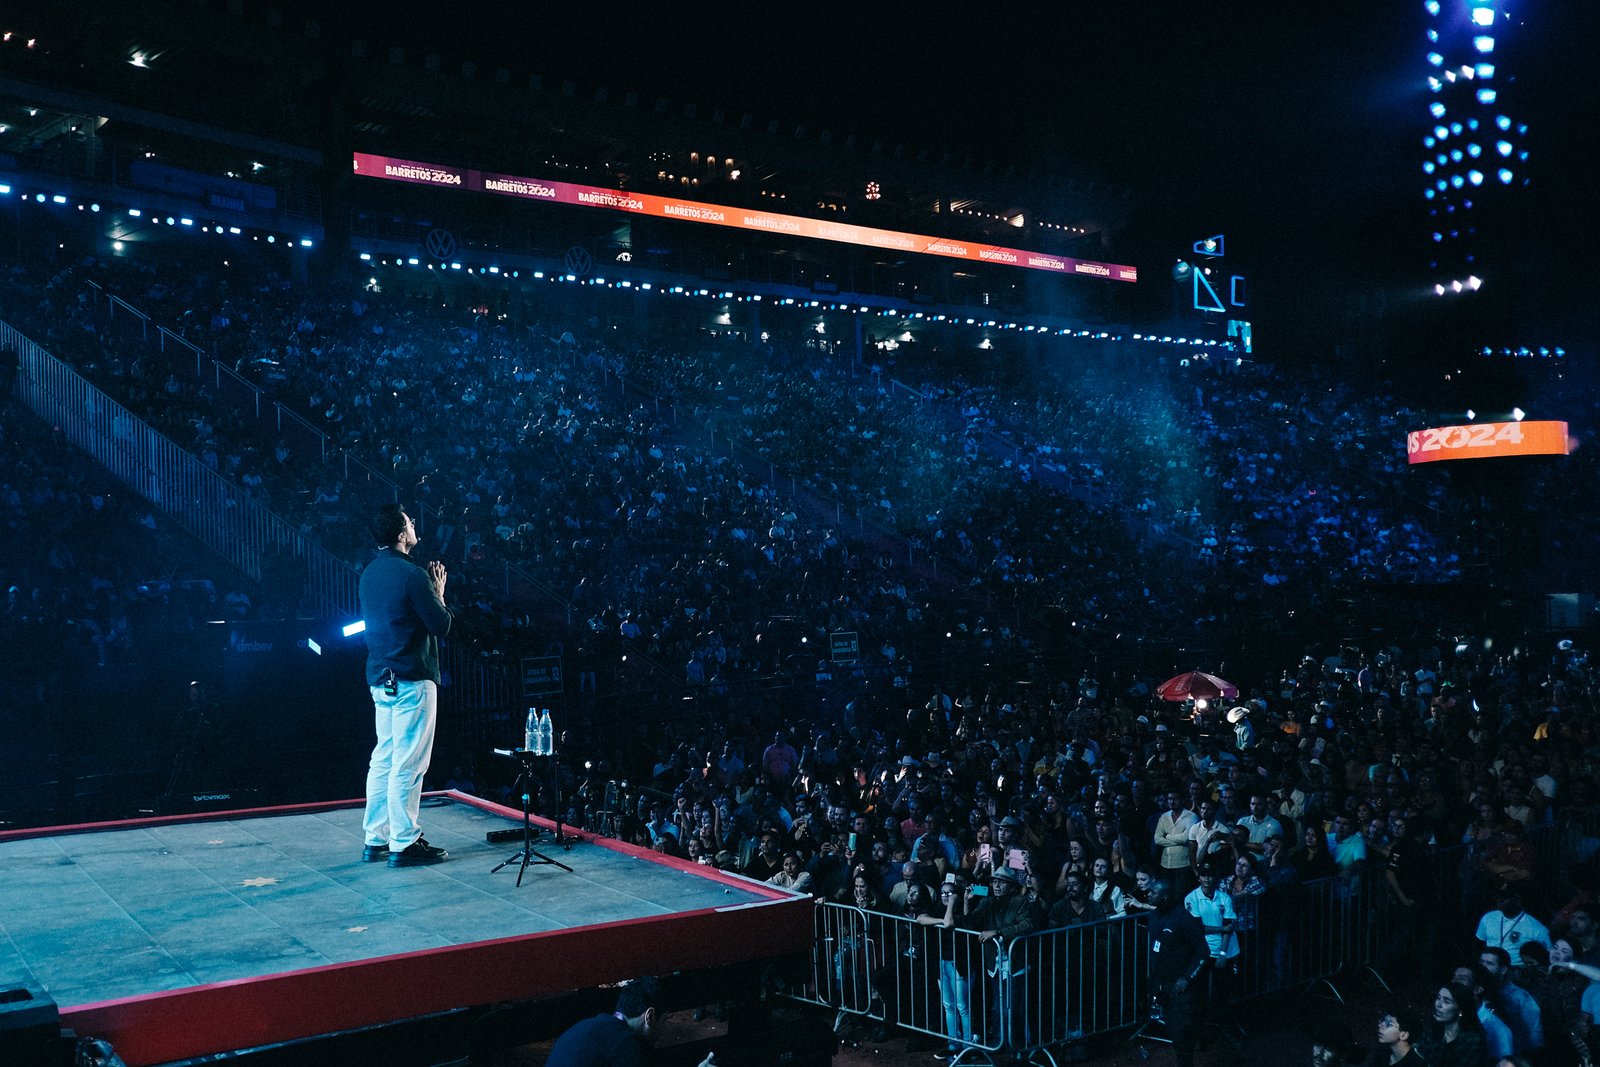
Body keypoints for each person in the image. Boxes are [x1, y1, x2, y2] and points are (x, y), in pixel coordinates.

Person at [359, 504, 452, 868]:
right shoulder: (414, 575)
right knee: (408, 762)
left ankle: (375, 838)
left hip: (381, 677)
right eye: (410, 522)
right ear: (401, 536)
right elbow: (441, 625)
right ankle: (404, 841)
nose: (414, 525)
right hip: (411, 677)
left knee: (384, 757)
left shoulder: (369, 573)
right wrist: (438, 592)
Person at [546, 977, 715, 1067]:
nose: (663, 1030)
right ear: (649, 1016)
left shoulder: (591, 1027)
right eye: (664, 1021)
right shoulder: (624, 1045)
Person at [1416, 982, 1487, 1067]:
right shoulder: (1432, 1030)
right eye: (1438, 998)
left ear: (1460, 1008)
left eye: (1446, 1001)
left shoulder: (1473, 1041)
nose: (1438, 1004)